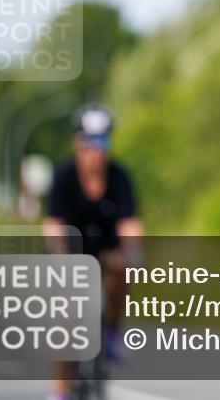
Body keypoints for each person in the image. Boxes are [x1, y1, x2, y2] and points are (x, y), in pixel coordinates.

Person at [42, 103, 143, 400]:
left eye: (103, 141)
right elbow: (53, 227)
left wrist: (135, 253)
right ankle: (59, 390)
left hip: (108, 253)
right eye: (89, 141)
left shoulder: (120, 177)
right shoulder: (63, 178)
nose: (95, 150)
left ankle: (112, 330)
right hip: (73, 256)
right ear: (77, 142)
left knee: (126, 269)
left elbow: (130, 225)